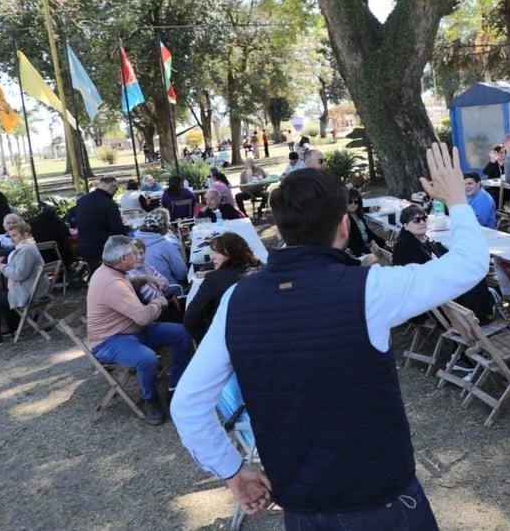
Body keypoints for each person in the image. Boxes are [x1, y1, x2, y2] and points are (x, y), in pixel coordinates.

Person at [171, 142, 488, 526]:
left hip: (304, 509)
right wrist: (457, 200)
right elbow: (468, 265)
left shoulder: (238, 298)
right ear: (343, 226)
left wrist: (234, 472)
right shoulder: (368, 289)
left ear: (282, 229)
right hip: (380, 502)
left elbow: (187, 405)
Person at [87, 235, 193, 425]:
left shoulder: (112, 270)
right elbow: (143, 316)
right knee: (146, 357)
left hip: (133, 330)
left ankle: (175, 387)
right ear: (122, 259)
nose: (137, 257)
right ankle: (151, 400)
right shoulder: (111, 283)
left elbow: (128, 284)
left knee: (183, 333)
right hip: (110, 340)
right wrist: (159, 302)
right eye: (132, 254)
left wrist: (144, 278)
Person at [393, 203, 496, 325]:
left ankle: (482, 312)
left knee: (472, 272)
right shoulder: (405, 246)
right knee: (472, 279)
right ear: (406, 226)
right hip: (429, 303)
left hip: (438, 291)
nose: (422, 222)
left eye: (424, 218)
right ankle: (480, 317)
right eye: (416, 220)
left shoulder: (423, 240)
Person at [0, 222, 49, 350]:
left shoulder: (26, 250)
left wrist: (0, 267)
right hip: (31, 289)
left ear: (25, 235)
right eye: (10, 236)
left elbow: (19, 274)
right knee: (3, 296)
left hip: (30, 293)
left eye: (15, 235)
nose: (12, 239)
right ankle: (14, 328)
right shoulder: (26, 248)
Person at [183, 232, 262, 344]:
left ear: (229, 254)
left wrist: (205, 340)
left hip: (225, 338)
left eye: (216, 252)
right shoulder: (261, 269)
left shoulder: (214, 280)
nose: (212, 256)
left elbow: (191, 317)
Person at [76, 176, 125, 272]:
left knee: (94, 272)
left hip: (84, 244)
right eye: (116, 189)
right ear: (112, 187)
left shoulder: (82, 200)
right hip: (103, 246)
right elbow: (117, 229)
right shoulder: (109, 204)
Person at [134, 211, 187, 293]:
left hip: (144, 293)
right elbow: (182, 275)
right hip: (168, 290)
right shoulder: (166, 245)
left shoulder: (132, 244)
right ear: (162, 228)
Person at [29, 205, 74, 270]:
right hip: (61, 257)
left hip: (44, 259)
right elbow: (67, 233)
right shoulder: (57, 222)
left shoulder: (34, 223)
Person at [346, 188, 387, 257]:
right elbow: (350, 241)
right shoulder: (345, 219)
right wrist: (360, 253)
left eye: (356, 202)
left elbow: (367, 232)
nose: (353, 204)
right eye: (350, 201)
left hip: (368, 246)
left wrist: (382, 243)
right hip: (360, 251)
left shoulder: (358, 215)